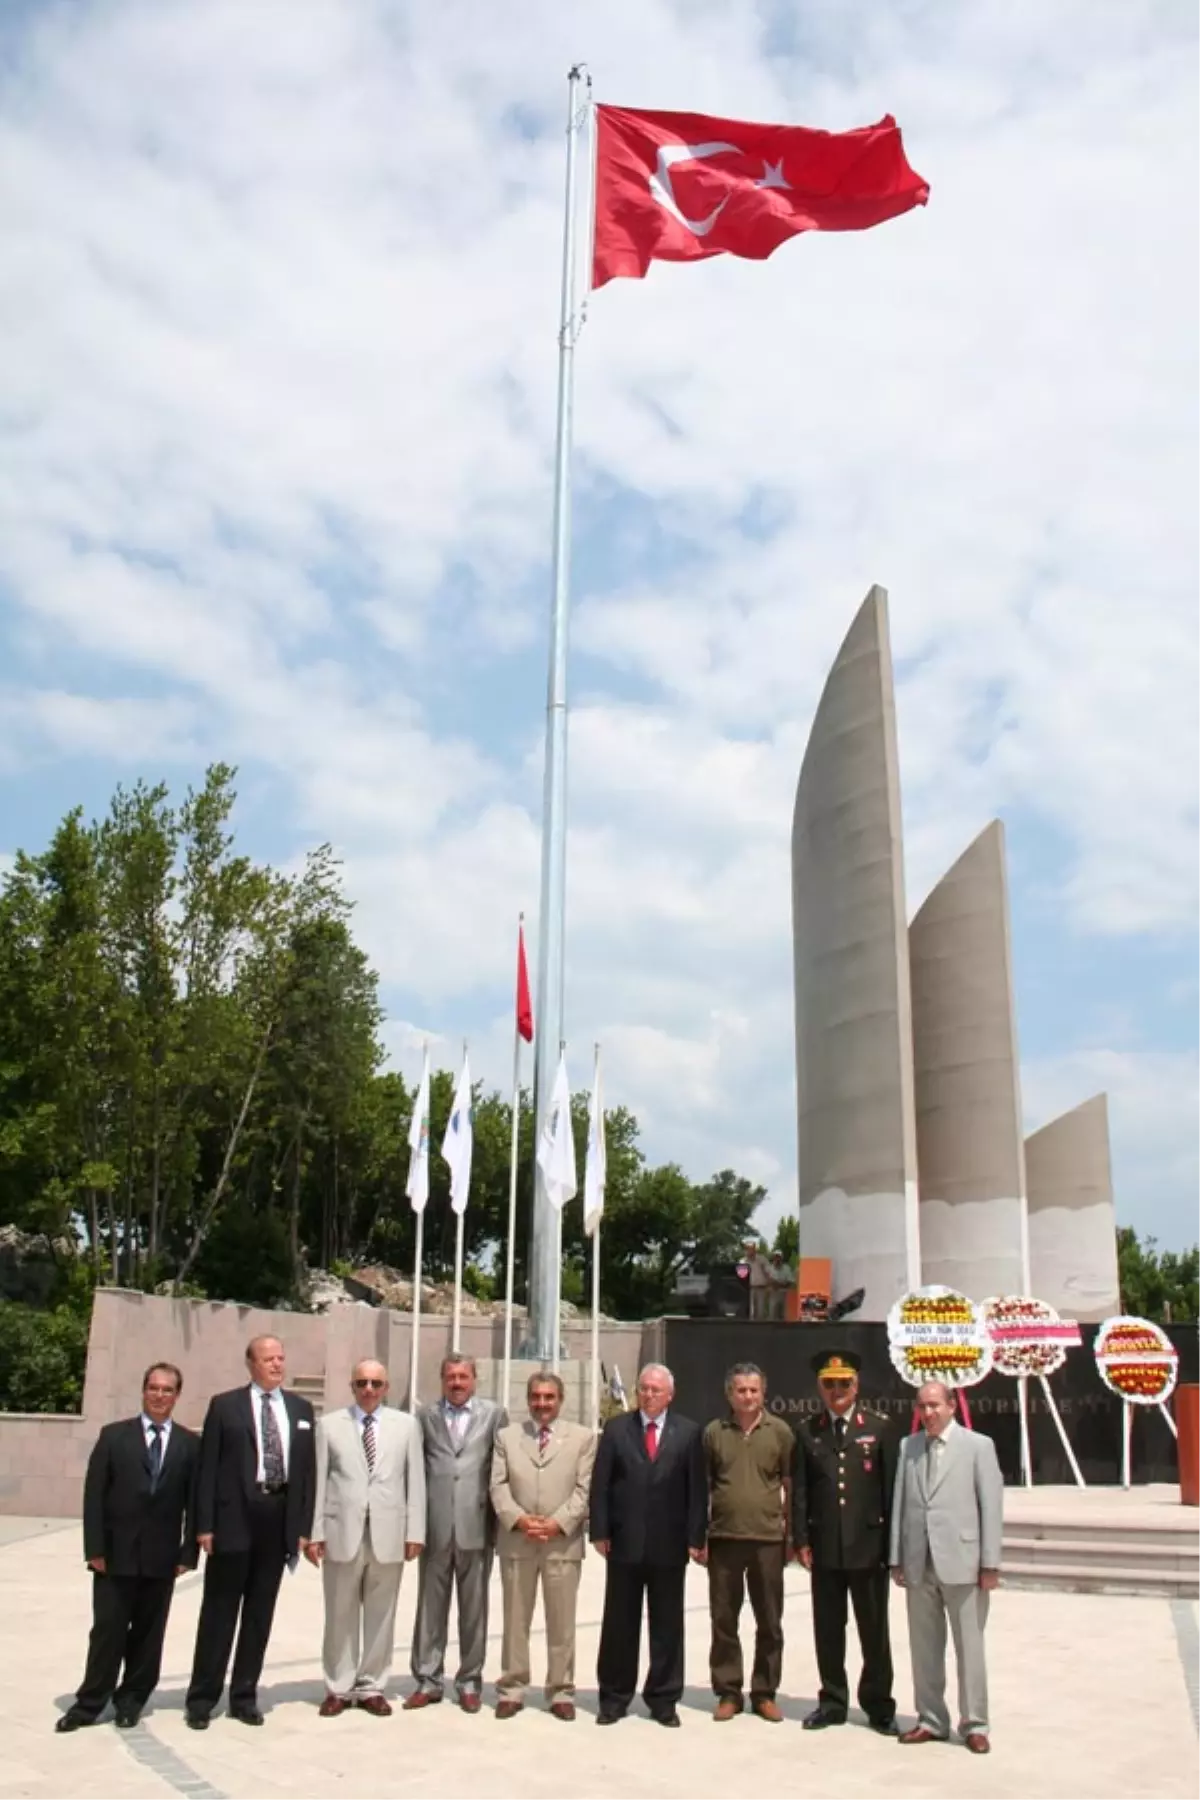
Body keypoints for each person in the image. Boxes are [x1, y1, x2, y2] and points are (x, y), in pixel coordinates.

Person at [57, 1363, 200, 1732]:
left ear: (176, 1396)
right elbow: (94, 1497)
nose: (159, 1395)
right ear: (143, 1390)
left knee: (149, 1635)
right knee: (107, 1631)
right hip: (115, 1555)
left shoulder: (188, 1444)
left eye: (167, 1390)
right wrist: (94, 1549)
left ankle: (131, 1700)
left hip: (162, 1557)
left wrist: (187, 1554)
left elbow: (194, 1503)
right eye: (153, 1388)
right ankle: (88, 1703)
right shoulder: (113, 1436)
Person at [185, 1334, 316, 1729]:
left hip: (276, 1520)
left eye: (280, 1357)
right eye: (268, 1359)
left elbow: (306, 1475)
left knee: (259, 1614)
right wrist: (204, 1524)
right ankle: (202, 1698)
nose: (277, 1364)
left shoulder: (301, 1408)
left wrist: (301, 1528)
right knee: (219, 1613)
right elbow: (206, 1469)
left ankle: (244, 1695)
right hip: (233, 1519)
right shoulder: (225, 1406)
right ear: (251, 1364)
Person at [589, 1362, 707, 1727]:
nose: (649, 1394)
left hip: (669, 1547)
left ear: (670, 1394)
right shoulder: (616, 1429)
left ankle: (663, 1699)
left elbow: (697, 1491)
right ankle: (614, 1696)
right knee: (619, 1624)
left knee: (667, 1625)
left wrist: (695, 1538)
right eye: (644, 1388)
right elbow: (601, 1485)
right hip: (624, 1544)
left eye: (656, 1389)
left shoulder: (688, 1433)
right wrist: (600, 1531)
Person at [889, 1380, 1004, 1755]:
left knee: (969, 1647)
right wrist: (897, 1557)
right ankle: (930, 1719)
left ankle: (975, 1723)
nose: (929, 1413)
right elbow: (900, 1505)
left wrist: (990, 1563)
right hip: (920, 1562)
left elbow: (991, 1507)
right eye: (922, 1406)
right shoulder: (909, 1447)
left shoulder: (978, 1447)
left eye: (935, 1405)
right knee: (924, 1647)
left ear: (952, 1405)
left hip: (964, 1564)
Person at [306, 1360, 426, 1717]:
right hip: (342, 1531)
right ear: (352, 1386)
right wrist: (315, 1532)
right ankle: (338, 1687)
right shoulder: (329, 1426)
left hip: (389, 1533)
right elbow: (318, 1481)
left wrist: (415, 1531)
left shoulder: (406, 1426)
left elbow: (415, 1481)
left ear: (386, 1386)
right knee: (339, 1614)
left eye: (376, 1383)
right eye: (362, 1383)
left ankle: (372, 1685)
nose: (369, 1389)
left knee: (381, 1614)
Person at [791, 1350, 899, 1735]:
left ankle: (878, 1704)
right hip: (825, 1548)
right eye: (829, 1384)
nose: (837, 1390)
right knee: (828, 1629)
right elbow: (801, 1490)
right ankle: (833, 1701)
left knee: (874, 1630)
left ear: (857, 1386)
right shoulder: (808, 1430)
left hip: (869, 1548)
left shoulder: (880, 1428)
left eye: (844, 1383)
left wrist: (894, 1546)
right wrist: (800, 1538)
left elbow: (890, 1492)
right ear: (820, 1387)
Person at [490, 1370, 596, 1721]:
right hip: (518, 1541)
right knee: (515, 1620)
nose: (542, 1404)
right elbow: (498, 1485)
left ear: (560, 1400)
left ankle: (561, 1690)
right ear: (528, 1400)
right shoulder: (507, 1437)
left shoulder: (581, 1438)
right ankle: (512, 1687)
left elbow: (584, 1489)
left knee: (561, 1622)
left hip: (561, 1543)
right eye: (536, 1397)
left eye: (549, 1397)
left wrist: (559, 1522)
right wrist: (519, 1519)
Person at [407, 1354, 506, 1714]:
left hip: (477, 1526)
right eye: (451, 1377)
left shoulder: (494, 1415)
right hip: (435, 1526)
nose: (457, 1383)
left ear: (475, 1379)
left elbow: (501, 1471)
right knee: (430, 1608)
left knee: (474, 1610)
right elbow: (417, 1471)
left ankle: (469, 1682)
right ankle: (428, 1680)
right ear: (442, 1380)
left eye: (463, 1376)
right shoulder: (425, 1417)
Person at [703, 1362, 793, 1723]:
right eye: (741, 1390)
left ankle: (764, 1692)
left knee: (769, 1620)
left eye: (754, 1390)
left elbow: (789, 1484)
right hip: (724, 1538)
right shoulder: (714, 1432)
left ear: (763, 1393)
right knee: (724, 1619)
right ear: (729, 1394)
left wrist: (791, 1536)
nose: (748, 1396)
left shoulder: (781, 1432)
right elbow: (704, 1486)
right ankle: (728, 1691)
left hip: (767, 1539)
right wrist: (700, 1536)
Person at [746, 1245, 772, 1321]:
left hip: (761, 1288)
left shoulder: (762, 1259)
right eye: (748, 1249)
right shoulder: (743, 1261)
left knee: (760, 1311)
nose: (750, 1251)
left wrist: (769, 1285)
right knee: (750, 1311)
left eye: (752, 1249)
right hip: (748, 1289)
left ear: (755, 1250)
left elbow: (769, 1272)